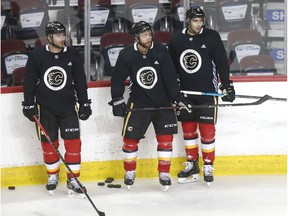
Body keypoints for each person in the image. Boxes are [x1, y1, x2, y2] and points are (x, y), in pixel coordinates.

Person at [109, 21, 191, 191]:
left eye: (149, 34)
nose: (149, 37)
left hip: (163, 103)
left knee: (166, 140)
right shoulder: (127, 54)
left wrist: (176, 97)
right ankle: (130, 172)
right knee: (130, 140)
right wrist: (117, 99)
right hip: (139, 103)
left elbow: (170, 77)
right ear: (136, 37)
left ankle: (164, 173)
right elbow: (117, 78)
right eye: (144, 35)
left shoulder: (160, 50)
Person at [22, 21, 92, 196]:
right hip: (46, 109)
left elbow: (80, 81)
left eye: (64, 35)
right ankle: (52, 176)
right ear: (49, 37)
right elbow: (29, 82)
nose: (63, 38)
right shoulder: (37, 55)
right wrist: (28, 103)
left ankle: (73, 179)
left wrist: (84, 103)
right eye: (59, 35)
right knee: (49, 144)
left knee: (74, 145)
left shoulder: (72, 54)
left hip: (68, 108)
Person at [168, 6, 236, 186]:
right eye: (195, 21)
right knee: (189, 130)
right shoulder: (176, 38)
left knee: (207, 131)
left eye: (201, 20)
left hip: (207, 92)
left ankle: (207, 164)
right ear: (188, 21)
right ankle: (192, 163)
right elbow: (171, 68)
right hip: (185, 94)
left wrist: (226, 84)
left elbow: (222, 63)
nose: (199, 24)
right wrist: (175, 92)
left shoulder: (211, 37)